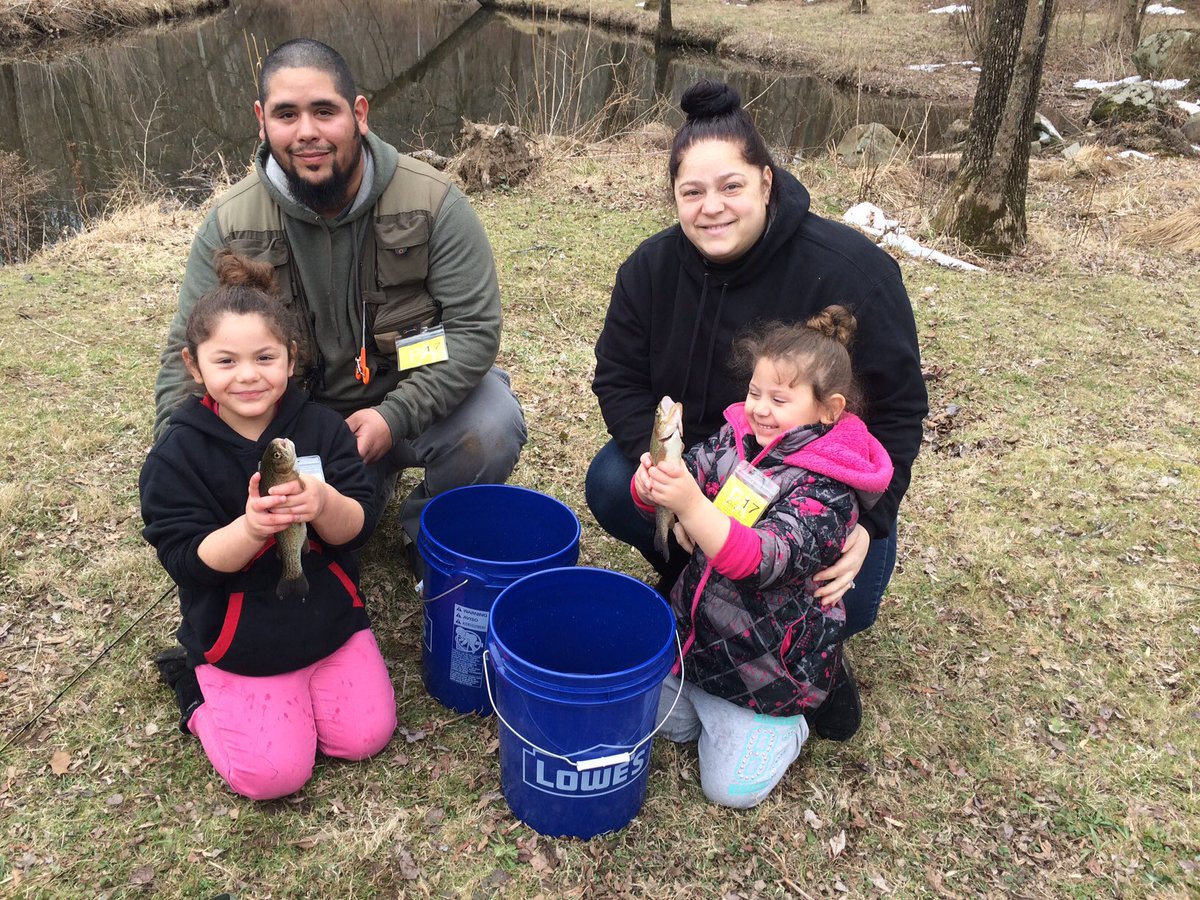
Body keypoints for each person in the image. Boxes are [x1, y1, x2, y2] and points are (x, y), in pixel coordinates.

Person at [153, 38, 526, 554]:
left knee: (491, 425)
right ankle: (356, 496)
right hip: (301, 427)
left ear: (359, 114)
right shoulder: (230, 225)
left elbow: (473, 331)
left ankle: (428, 535)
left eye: (324, 111)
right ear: (262, 121)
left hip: (415, 400)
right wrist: (174, 457)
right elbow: (190, 352)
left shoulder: (435, 202)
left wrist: (392, 417)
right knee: (329, 541)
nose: (307, 132)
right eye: (287, 114)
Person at [589, 80, 926, 643]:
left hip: (812, 493)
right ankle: (699, 590)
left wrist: (870, 519)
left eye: (731, 186)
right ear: (673, 195)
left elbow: (899, 409)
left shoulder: (854, 272)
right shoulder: (647, 270)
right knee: (609, 481)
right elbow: (618, 377)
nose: (711, 207)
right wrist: (674, 478)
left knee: (853, 608)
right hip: (708, 467)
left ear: (766, 182)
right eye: (692, 191)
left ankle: (765, 616)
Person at [140, 251, 396, 800]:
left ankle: (312, 686)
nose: (249, 375)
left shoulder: (322, 429)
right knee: (274, 776)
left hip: (328, 619)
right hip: (239, 635)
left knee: (366, 738)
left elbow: (359, 525)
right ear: (194, 366)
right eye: (226, 361)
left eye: (264, 356)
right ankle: (194, 686)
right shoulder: (176, 456)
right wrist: (252, 528)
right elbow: (186, 560)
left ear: (291, 357)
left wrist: (323, 502)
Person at [635, 308, 893, 808]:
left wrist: (690, 504)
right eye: (755, 393)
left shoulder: (828, 490)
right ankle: (703, 701)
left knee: (729, 791)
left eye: (779, 399)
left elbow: (761, 561)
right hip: (697, 644)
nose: (759, 409)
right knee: (653, 722)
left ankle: (794, 719)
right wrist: (652, 487)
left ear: (829, 410)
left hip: (767, 668)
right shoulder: (733, 442)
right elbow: (682, 474)